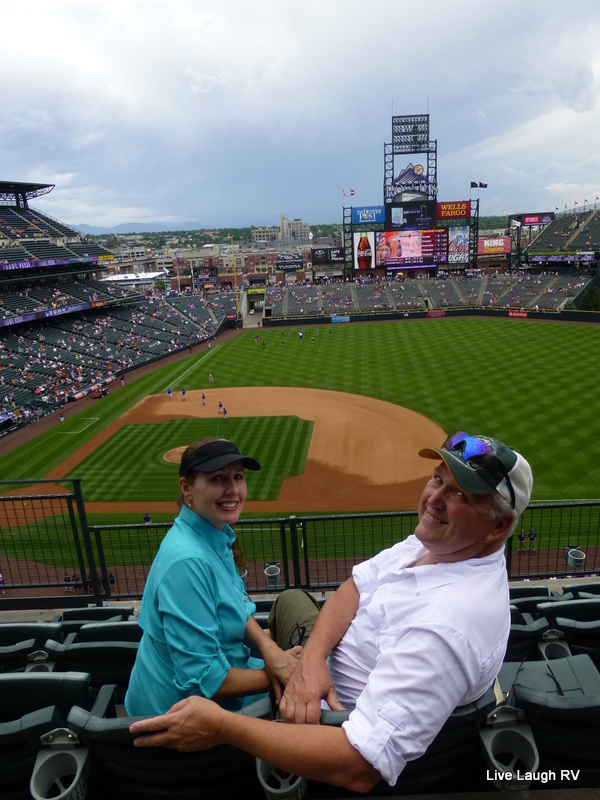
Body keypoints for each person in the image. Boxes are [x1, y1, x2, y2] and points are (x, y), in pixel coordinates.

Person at [130, 431, 533, 792]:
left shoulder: (447, 627)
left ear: (498, 527)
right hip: (314, 671)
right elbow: (353, 588)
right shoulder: (438, 544)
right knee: (291, 599)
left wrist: (231, 719)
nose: (435, 499)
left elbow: (358, 766)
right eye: (438, 479)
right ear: (187, 490)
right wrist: (310, 660)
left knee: (290, 603)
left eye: (461, 495)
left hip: (316, 721)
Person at [125, 437, 301, 717]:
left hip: (218, 700)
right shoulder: (188, 562)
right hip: (178, 728)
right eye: (217, 478)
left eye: (238, 477)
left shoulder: (212, 535)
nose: (232, 490)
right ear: (187, 489)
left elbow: (236, 607)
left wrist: (270, 649)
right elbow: (204, 680)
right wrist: (279, 672)